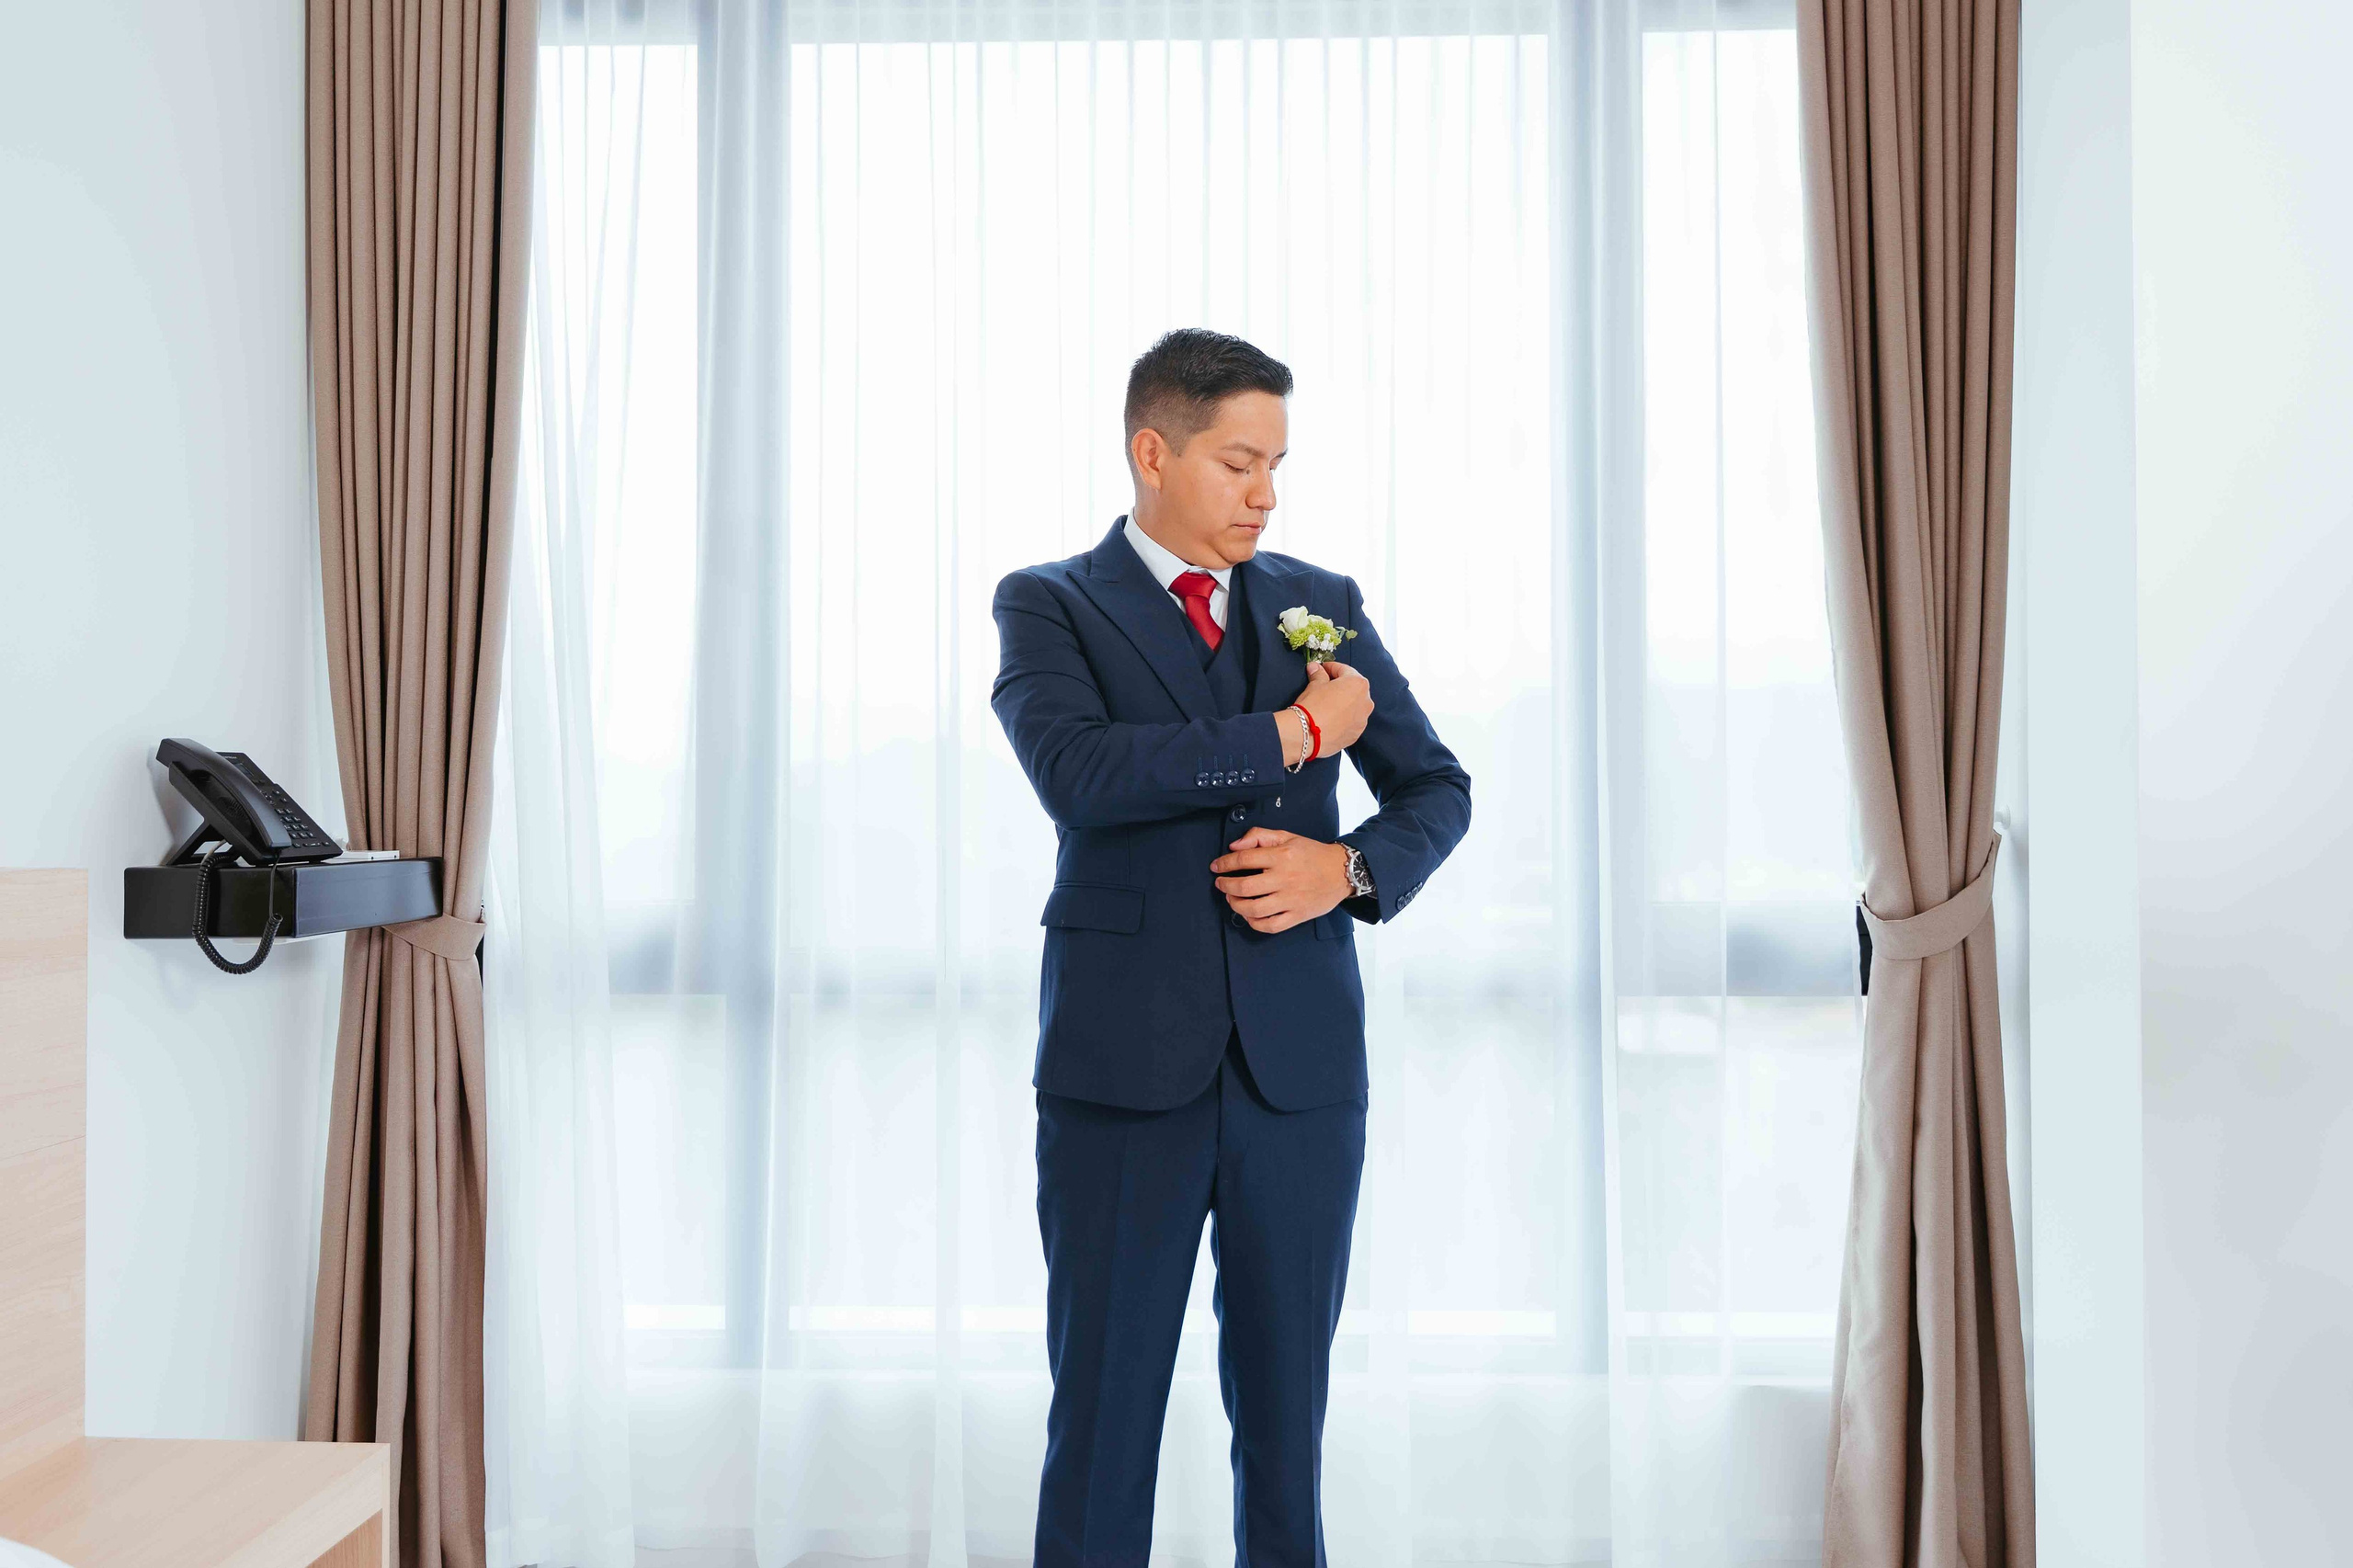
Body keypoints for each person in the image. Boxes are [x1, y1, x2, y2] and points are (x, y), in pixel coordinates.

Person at [990, 327, 1473, 1564]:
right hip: (1119, 1076)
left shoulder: (1322, 604)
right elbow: (1082, 773)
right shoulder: (1050, 603)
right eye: (1239, 463)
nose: (1266, 494)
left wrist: (1346, 868)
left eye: (1278, 466)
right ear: (1154, 453)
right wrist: (1297, 739)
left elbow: (1436, 789)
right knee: (1101, 1421)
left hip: (1299, 1076)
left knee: (1286, 1430)